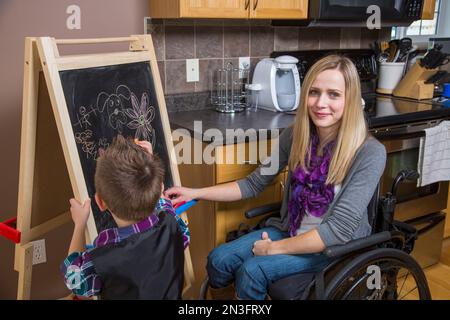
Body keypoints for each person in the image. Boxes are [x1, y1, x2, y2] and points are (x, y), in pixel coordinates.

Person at [165, 55, 387, 300]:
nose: (320, 103)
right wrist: (196, 192)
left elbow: (336, 231)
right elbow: (253, 183)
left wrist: (272, 249)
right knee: (219, 260)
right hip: (291, 229)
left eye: (334, 94)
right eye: (314, 92)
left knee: (252, 271)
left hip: (333, 248)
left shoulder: (370, 152)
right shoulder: (295, 135)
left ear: (350, 99)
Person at [61, 136, 190, 300]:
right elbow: (163, 204)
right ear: (160, 189)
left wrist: (79, 225)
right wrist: (149, 168)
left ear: (100, 202)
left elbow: (74, 279)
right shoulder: (174, 225)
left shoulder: (103, 259)